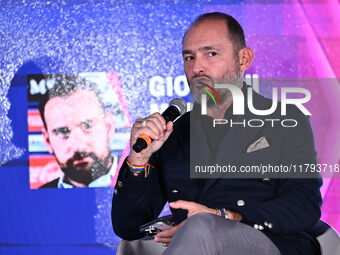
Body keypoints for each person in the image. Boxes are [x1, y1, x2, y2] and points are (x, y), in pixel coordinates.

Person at [112, 12, 322, 255]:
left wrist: (225, 217)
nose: (197, 68)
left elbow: (304, 205)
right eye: (189, 57)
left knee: (201, 225)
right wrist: (139, 162)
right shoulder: (173, 133)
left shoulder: (286, 119)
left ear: (243, 59)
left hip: (271, 244)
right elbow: (128, 227)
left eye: (211, 54)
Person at [38, 74, 117, 188]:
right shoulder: (36, 200)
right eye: (62, 132)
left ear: (108, 127)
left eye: (87, 126)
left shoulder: (145, 182)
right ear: (47, 141)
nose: (78, 147)